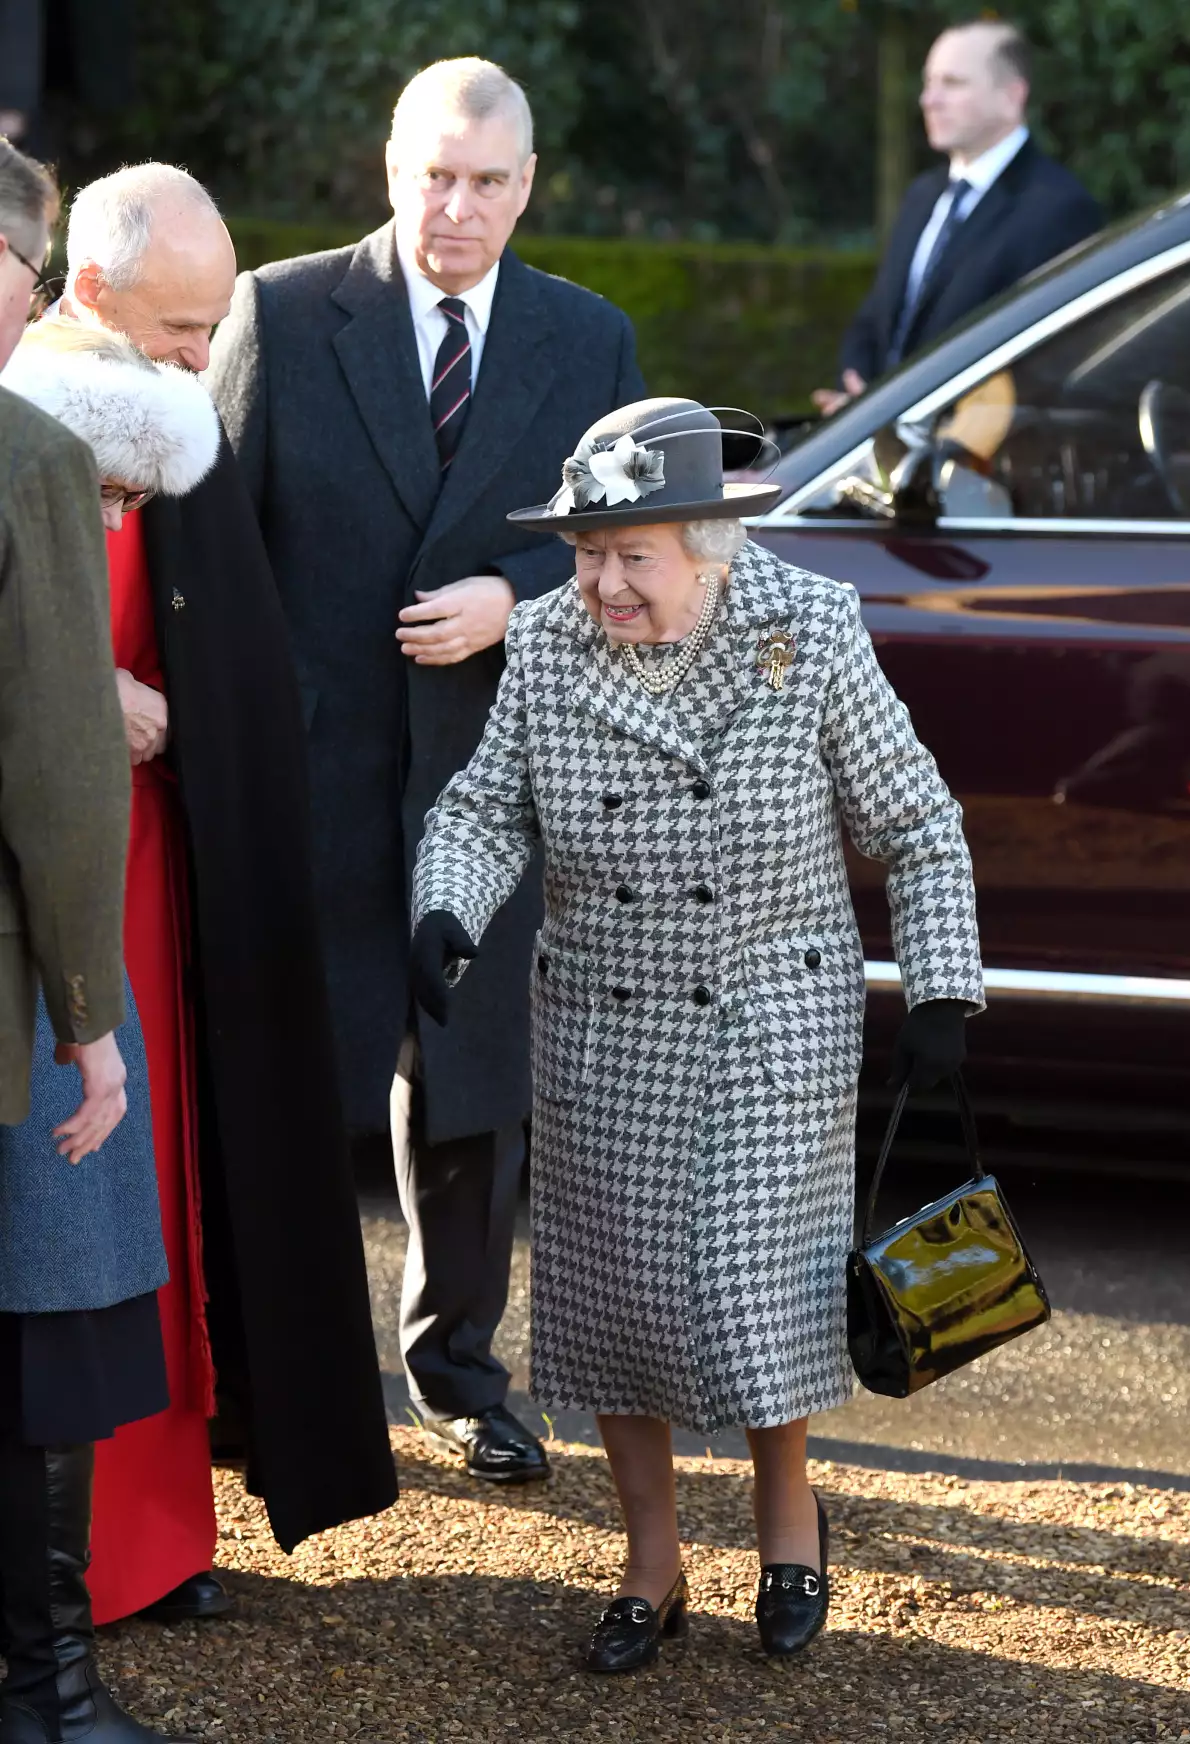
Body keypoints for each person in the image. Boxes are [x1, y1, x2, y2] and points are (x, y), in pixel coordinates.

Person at [409, 397, 985, 1669]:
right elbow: (484, 808)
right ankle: (651, 1558)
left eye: (633, 556)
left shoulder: (811, 627)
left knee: (748, 1286)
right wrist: (447, 904)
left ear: (707, 547)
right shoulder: (552, 642)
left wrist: (940, 988)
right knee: (615, 1302)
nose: (603, 583)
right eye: (585, 552)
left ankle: (789, 1519)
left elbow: (917, 823)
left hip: (769, 1012)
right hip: (603, 1017)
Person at [206, 57, 645, 1485]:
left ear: (530, 186)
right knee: (285, 1091)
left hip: (490, 783)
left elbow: (633, 558)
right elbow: (210, 550)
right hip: (308, 778)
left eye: (489, 182)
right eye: (435, 177)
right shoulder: (277, 310)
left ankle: (460, 1374)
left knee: (470, 1096)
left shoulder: (589, 342)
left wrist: (517, 601)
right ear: (392, 171)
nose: (458, 209)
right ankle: (268, 1389)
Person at [53, 163, 397, 1623]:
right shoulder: (37, 420)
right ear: (89, 297)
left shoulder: (170, 413)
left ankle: (163, 1532)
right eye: (184, 328)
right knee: (79, 1195)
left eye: (214, 327)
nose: (207, 359)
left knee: (178, 1187)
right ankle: (75, 1553)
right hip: (67, 871)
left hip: (167, 862)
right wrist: (96, 703)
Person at [0, 140, 183, 1744]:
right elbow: (58, 775)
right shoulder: (24, 460)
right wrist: (87, 1015)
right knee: (54, 1305)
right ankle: (47, 1695)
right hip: (11, 987)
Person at [815, 20, 1101, 413]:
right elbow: (877, 318)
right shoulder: (921, 195)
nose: (929, 99)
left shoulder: (1058, 209)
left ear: (1011, 97)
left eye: (952, 83)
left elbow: (1043, 364)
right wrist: (856, 390)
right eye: (928, 82)